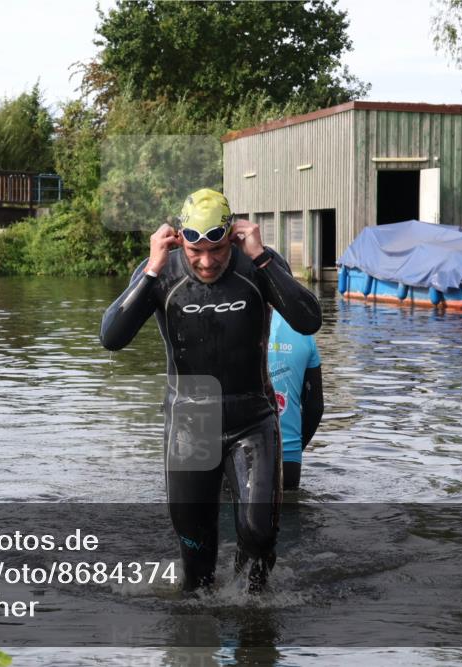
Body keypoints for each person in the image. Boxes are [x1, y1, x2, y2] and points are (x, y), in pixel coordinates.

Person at [100, 188, 322, 594]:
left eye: (217, 249)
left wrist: (261, 257)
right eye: (195, 251)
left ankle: (252, 619)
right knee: (196, 561)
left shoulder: (257, 264)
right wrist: (150, 269)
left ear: (232, 236)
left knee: (259, 536)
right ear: (179, 237)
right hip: (190, 423)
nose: (206, 262)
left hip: (252, 418)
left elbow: (309, 321)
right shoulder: (160, 271)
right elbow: (111, 338)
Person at [267, 313, 324, 491]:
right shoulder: (304, 331)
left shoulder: (236, 321)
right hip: (289, 459)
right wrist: (294, 449)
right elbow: (315, 408)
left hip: (241, 453)